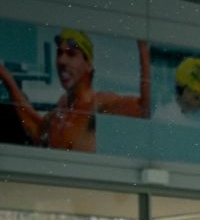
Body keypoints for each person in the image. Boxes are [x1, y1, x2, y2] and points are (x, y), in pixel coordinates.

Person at [0, 28, 150, 152]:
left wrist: (143, 45)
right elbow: (38, 130)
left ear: (88, 65)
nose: (61, 61)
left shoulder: (99, 104)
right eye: (59, 53)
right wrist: (7, 79)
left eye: (71, 54)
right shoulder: (62, 107)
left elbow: (144, 109)